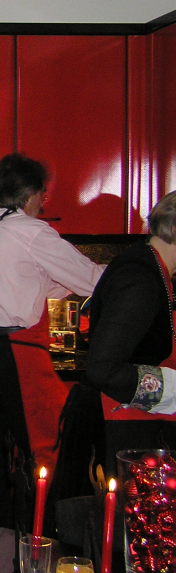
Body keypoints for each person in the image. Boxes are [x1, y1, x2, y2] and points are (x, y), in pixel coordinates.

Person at [0, 153, 105, 529]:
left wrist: (65, 281)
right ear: (30, 193)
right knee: (49, 452)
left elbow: (33, 284)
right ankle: (44, 541)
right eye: (43, 194)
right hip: (14, 354)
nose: (44, 203)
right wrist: (140, 271)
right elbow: (93, 279)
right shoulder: (32, 231)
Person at [84, 190, 176, 472]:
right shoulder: (140, 279)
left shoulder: (150, 267)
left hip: (137, 422)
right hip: (128, 428)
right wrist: (172, 388)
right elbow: (103, 368)